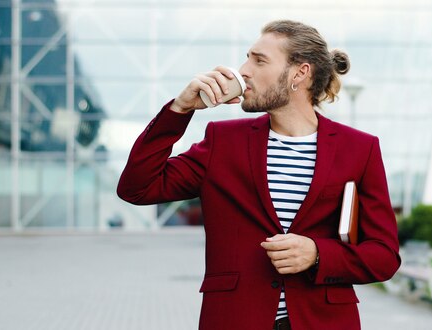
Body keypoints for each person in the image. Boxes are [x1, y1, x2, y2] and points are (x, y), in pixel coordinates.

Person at [117, 19, 400, 330]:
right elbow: (137, 188)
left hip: (324, 320)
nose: (243, 70)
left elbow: (383, 255)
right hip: (236, 319)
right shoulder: (221, 142)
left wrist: (318, 254)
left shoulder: (359, 149)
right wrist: (180, 109)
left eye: (259, 60)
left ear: (300, 73)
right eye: (247, 57)